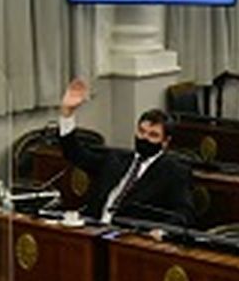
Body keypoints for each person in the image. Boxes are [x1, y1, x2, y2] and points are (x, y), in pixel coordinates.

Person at [57, 77, 196, 226]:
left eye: (153, 135)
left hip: (129, 237)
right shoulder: (115, 158)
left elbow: (184, 212)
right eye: (141, 132)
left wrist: (162, 231)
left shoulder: (174, 172)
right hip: (92, 228)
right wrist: (67, 113)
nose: (145, 138)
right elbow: (75, 154)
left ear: (165, 142)